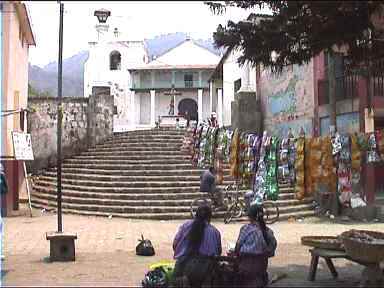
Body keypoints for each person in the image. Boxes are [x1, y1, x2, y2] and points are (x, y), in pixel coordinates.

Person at [172, 204, 222, 287]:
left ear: (196, 215)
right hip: (207, 268)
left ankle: (183, 281)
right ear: (209, 218)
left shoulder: (186, 226)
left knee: (174, 280)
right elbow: (218, 252)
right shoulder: (215, 231)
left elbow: (175, 245)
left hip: (186, 265)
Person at [233, 203, 277, 288]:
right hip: (261, 267)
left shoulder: (246, 228)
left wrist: (237, 253)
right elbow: (271, 250)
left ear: (250, 217)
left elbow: (237, 247)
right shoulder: (268, 232)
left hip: (246, 267)